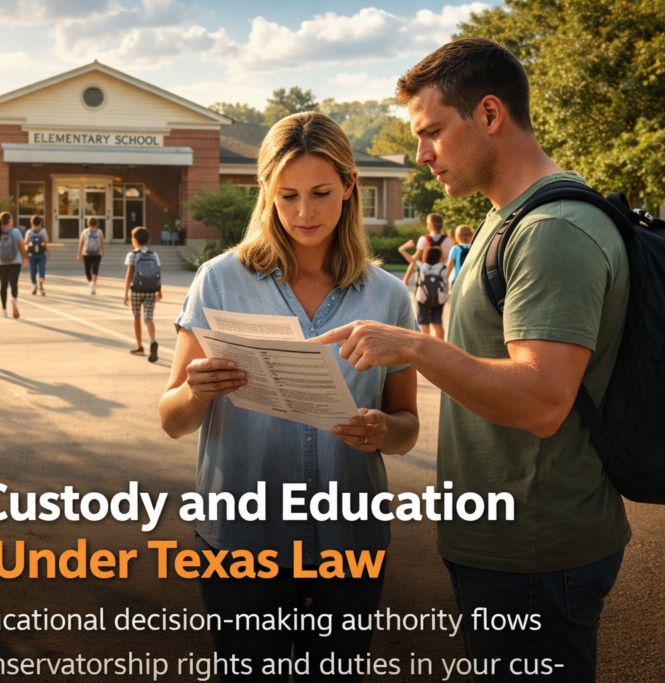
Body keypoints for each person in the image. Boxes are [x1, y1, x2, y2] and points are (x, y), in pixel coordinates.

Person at [314, 38, 630, 682]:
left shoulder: (552, 232)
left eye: (431, 132)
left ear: (489, 114)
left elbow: (543, 400)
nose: (421, 154)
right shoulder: (506, 216)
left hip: (536, 552)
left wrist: (416, 346)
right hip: (508, 541)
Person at [159, 112, 420, 681]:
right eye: (288, 196)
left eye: (322, 193)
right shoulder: (219, 279)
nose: (305, 212)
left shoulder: (389, 296)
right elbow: (171, 419)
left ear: (351, 186)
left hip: (348, 537)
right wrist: (196, 391)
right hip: (241, 538)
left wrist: (382, 429)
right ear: (267, 195)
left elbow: (408, 428)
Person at [123, 227, 162, 362]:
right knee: (148, 318)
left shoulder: (132, 255)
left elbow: (129, 275)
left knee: (137, 316)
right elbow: (158, 273)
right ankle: (152, 340)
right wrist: (159, 290)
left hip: (136, 290)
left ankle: (139, 345)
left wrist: (125, 293)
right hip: (151, 290)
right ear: (149, 240)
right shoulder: (154, 255)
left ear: (134, 240)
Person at [400, 243, 448, 338]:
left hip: (422, 297)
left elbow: (411, 260)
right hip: (439, 299)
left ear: (425, 256)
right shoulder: (443, 268)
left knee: (423, 322)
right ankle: (440, 346)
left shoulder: (420, 266)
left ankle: (426, 346)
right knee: (437, 322)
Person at [0, 212, 27, 319]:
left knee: (3, 285)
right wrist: (25, 258)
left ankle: (4, 310)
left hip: (1, 262)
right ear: (9, 221)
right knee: (14, 283)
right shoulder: (15, 231)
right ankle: (14, 299)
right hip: (15, 261)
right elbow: (21, 245)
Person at [400, 213, 452, 287]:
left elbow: (413, 259)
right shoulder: (449, 240)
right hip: (442, 277)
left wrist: (402, 249)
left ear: (430, 224)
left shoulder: (424, 239)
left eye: (427, 223)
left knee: (415, 262)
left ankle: (405, 281)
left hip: (426, 278)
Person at [78, 216, 105, 295]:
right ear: (97, 223)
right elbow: (102, 242)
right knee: (95, 268)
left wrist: (79, 254)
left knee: (87, 269)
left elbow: (81, 242)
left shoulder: (85, 231)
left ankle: (91, 282)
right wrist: (103, 252)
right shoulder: (100, 231)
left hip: (86, 253)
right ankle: (93, 283)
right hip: (97, 253)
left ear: (88, 223)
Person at [25, 215, 50, 296]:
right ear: (41, 222)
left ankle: (34, 285)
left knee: (33, 271)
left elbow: (26, 242)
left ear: (31, 222)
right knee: (41, 269)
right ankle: (41, 287)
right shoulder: (43, 231)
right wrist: (48, 252)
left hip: (31, 254)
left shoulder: (29, 232)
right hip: (42, 254)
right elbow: (46, 241)